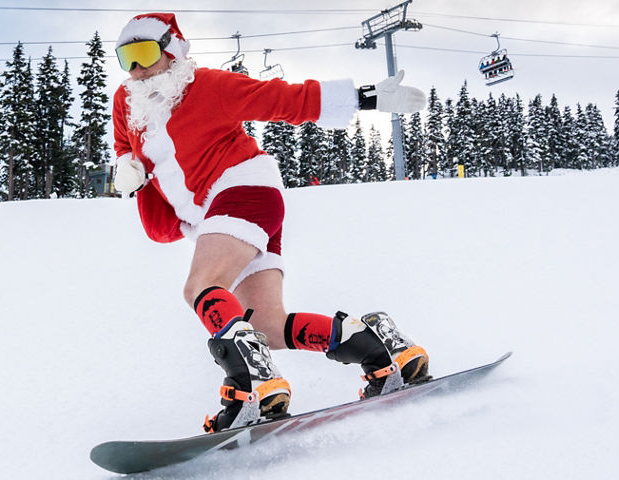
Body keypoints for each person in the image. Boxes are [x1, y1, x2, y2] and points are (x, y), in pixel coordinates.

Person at [111, 13, 430, 433]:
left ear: (172, 51)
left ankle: (251, 386)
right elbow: (123, 145)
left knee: (200, 287)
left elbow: (284, 99)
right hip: (216, 215)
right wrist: (125, 166)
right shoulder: (126, 102)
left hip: (244, 190)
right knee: (267, 327)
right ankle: (380, 349)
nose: (136, 68)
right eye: (125, 57)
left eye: (144, 53)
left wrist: (364, 97)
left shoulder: (207, 86)